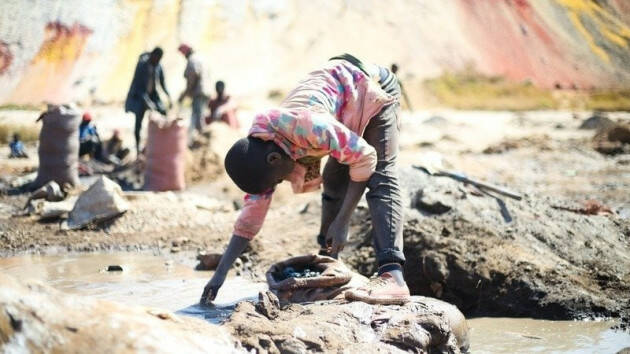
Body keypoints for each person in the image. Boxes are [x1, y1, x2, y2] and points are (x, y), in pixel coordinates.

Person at [200, 54, 409, 306]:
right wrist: (220, 274)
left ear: (275, 159)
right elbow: (251, 214)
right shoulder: (261, 144)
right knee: (334, 177)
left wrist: (342, 221)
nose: (282, 184)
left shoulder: (310, 127)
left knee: (381, 176)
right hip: (343, 102)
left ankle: (393, 274)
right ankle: (330, 258)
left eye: (279, 181)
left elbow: (365, 157)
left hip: (372, 87)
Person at [125, 47, 172, 154]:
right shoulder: (142, 65)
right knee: (138, 123)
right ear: (153, 56)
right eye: (157, 59)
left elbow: (162, 83)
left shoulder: (158, 66)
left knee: (163, 112)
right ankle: (137, 148)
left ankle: (161, 145)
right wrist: (148, 103)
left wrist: (169, 97)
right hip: (139, 97)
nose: (158, 61)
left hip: (152, 95)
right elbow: (138, 87)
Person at [177, 44, 206, 136]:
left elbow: (193, 77)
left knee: (196, 116)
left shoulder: (192, 60)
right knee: (200, 115)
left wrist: (186, 93)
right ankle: (201, 137)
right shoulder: (199, 58)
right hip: (204, 91)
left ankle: (198, 138)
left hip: (199, 92)